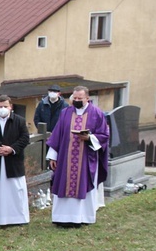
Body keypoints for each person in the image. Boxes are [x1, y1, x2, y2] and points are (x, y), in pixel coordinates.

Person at [46, 86, 109, 227]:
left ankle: (82, 217)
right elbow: (57, 135)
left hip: (86, 158)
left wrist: (89, 138)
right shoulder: (65, 113)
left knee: (83, 184)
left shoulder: (96, 113)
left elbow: (104, 135)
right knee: (63, 183)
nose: (77, 100)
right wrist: (53, 157)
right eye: (75, 98)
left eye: (80, 98)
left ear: (87, 98)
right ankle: (62, 218)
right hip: (65, 159)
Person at [0, 95, 30, 226]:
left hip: (13, 162)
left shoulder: (19, 121)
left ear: (11, 107)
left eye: (5, 106)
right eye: (0, 106)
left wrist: (12, 148)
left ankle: (17, 218)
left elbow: (25, 138)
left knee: (15, 190)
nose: (2, 109)